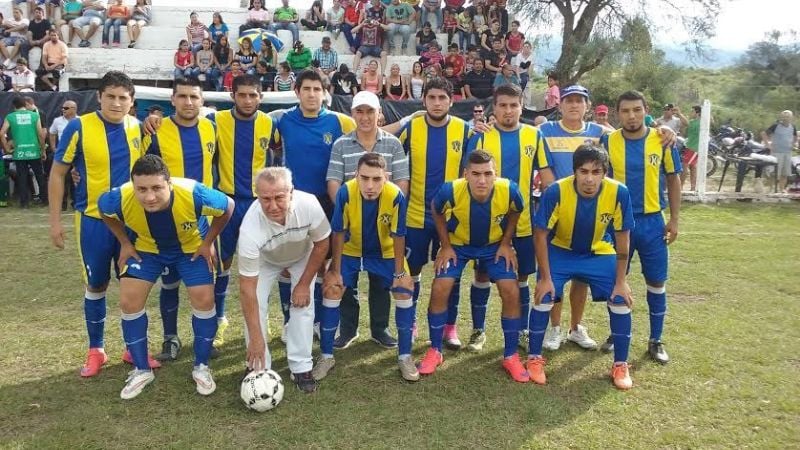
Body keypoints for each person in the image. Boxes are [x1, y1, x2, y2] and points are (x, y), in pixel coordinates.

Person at [97, 155, 232, 399]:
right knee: (129, 302)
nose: (149, 196)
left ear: (169, 183)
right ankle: (141, 369)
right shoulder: (118, 198)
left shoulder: (194, 194)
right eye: (142, 189)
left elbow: (227, 207)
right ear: (133, 186)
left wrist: (208, 242)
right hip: (147, 250)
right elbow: (104, 211)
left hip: (190, 248)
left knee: (204, 300)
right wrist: (125, 243)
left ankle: (201, 366)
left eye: (157, 188)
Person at [48, 71, 147, 377]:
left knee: (133, 286)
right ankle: (96, 350)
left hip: (131, 222)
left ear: (131, 102)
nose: (116, 103)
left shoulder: (137, 128)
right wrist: (55, 222)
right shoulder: (80, 126)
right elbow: (58, 173)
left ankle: (133, 348)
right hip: (92, 221)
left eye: (123, 98)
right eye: (111, 97)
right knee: (97, 284)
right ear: (100, 97)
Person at [529, 144, 635, 389]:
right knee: (545, 295)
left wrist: (621, 281)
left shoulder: (619, 192)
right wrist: (544, 277)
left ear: (605, 172)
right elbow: (540, 235)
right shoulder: (556, 191)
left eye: (596, 172)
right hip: (561, 251)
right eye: (583, 171)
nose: (589, 178)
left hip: (598, 251)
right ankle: (534, 358)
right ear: (575, 171)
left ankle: (620, 364)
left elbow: (623, 239)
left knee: (620, 300)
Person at [417, 150, 528, 381]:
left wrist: (507, 242)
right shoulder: (451, 190)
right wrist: (445, 245)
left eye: (488, 174)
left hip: (493, 246)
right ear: (465, 174)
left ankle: (510, 356)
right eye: (476, 174)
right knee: (440, 287)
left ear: (495, 174)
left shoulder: (509, 190)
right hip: (458, 245)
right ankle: (435, 350)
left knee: (510, 289)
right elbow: (437, 211)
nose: (482, 180)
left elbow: (516, 211)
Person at [268, 70, 357, 340]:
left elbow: (370, 130)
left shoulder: (339, 122)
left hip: (326, 201)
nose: (311, 94)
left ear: (324, 93)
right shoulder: (280, 119)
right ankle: (288, 322)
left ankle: (316, 321)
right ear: (297, 91)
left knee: (319, 262)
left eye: (317, 89)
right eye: (306, 89)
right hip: (292, 202)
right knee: (287, 262)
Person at [384, 77, 470, 348]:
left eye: (442, 98)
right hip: (416, 215)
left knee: (449, 274)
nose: (436, 103)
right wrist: (406, 119)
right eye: (431, 98)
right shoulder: (413, 127)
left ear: (451, 100)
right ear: (424, 101)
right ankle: (410, 324)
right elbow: (379, 135)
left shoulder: (465, 130)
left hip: (452, 217)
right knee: (414, 271)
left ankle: (449, 326)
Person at [323, 91, 409, 353]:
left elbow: (401, 182)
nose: (365, 117)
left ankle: (379, 328)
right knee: (345, 277)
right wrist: (349, 210)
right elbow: (334, 182)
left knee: (380, 279)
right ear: (352, 114)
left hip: (383, 221)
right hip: (351, 221)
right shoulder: (341, 144)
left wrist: (388, 210)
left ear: (379, 114)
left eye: (370, 111)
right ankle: (349, 328)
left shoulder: (392, 143)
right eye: (359, 111)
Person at [139, 78, 218, 362]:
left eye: (193, 97)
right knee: (169, 283)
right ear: (172, 99)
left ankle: (206, 338)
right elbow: (139, 171)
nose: (188, 102)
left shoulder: (210, 128)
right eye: (182, 97)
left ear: (201, 100)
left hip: (202, 222)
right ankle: (170, 337)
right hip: (165, 222)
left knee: (204, 284)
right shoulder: (156, 131)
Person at [600, 90, 682, 364]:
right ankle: (617, 333)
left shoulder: (661, 139)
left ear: (646, 110)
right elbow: (601, 181)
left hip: (652, 222)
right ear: (617, 113)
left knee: (656, 281)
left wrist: (674, 219)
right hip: (618, 223)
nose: (632, 116)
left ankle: (655, 339)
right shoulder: (608, 141)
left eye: (637, 110)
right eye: (626, 111)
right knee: (615, 280)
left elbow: (673, 179)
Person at [320, 152, 418, 380]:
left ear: (386, 177)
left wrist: (400, 272)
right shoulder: (346, 191)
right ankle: (326, 356)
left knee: (404, 291)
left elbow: (398, 234)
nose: (370, 185)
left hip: (383, 253)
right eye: (364, 178)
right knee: (332, 288)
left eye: (376, 179)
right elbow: (338, 231)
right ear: (356, 175)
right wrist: (335, 269)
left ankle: (405, 357)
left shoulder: (396, 195)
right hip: (351, 251)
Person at [466, 83, 548, 352]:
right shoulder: (481, 137)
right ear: (495, 107)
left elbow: (546, 178)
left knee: (522, 278)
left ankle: (522, 331)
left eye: (514, 105)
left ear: (521, 106)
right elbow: (464, 180)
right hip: (485, 225)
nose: (509, 110)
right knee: (481, 276)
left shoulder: (534, 136)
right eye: (503, 105)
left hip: (523, 223)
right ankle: (478, 331)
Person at [238, 167, 331, 393]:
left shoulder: (309, 204)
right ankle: (259, 367)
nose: (272, 206)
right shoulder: (249, 228)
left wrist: (302, 284)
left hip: (301, 254)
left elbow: (322, 243)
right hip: (265, 259)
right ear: (257, 196)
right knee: (256, 305)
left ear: (291, 192)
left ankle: (301, 367)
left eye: (279, 197)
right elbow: (247, 290)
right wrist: (257, 338)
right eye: (265, 199)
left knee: (302, 305)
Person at [1, 95, 45, 208]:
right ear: (25, 104)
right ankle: (45, 200)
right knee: (40, 176)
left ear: (14, 106)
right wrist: (43, 150)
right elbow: (41, 134)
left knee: (22, 177)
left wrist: (6, 148)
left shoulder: (10, 117)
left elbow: (1, 133)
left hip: (19, 152)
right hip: (34, 151)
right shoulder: (35, 115)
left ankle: (24, 203)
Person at [762, 110, 797, 191]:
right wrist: (768, 145)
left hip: (787, 153)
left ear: (791, 117)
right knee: (774, 172)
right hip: (776, 152)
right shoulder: (775, 125)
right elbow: (764, 133)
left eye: (788, 116)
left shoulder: (793, 126)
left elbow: (795, 136)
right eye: (784, 116)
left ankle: (781, 190)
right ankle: (771, 189)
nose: (786, 118)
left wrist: (793, 144)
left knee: (785, 173)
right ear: (781, 117)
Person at [681, 105, 702, 191]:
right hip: (689, 146)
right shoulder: (693, 121)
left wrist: (679, 114)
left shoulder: (701, 122)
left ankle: (680, 187)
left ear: (698, 113)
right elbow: (686, 129)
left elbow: (686, 123)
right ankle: (693, 188)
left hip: (694, 148)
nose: (691, 113)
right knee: (692, 167)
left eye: (692, 111)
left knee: (684, 166)